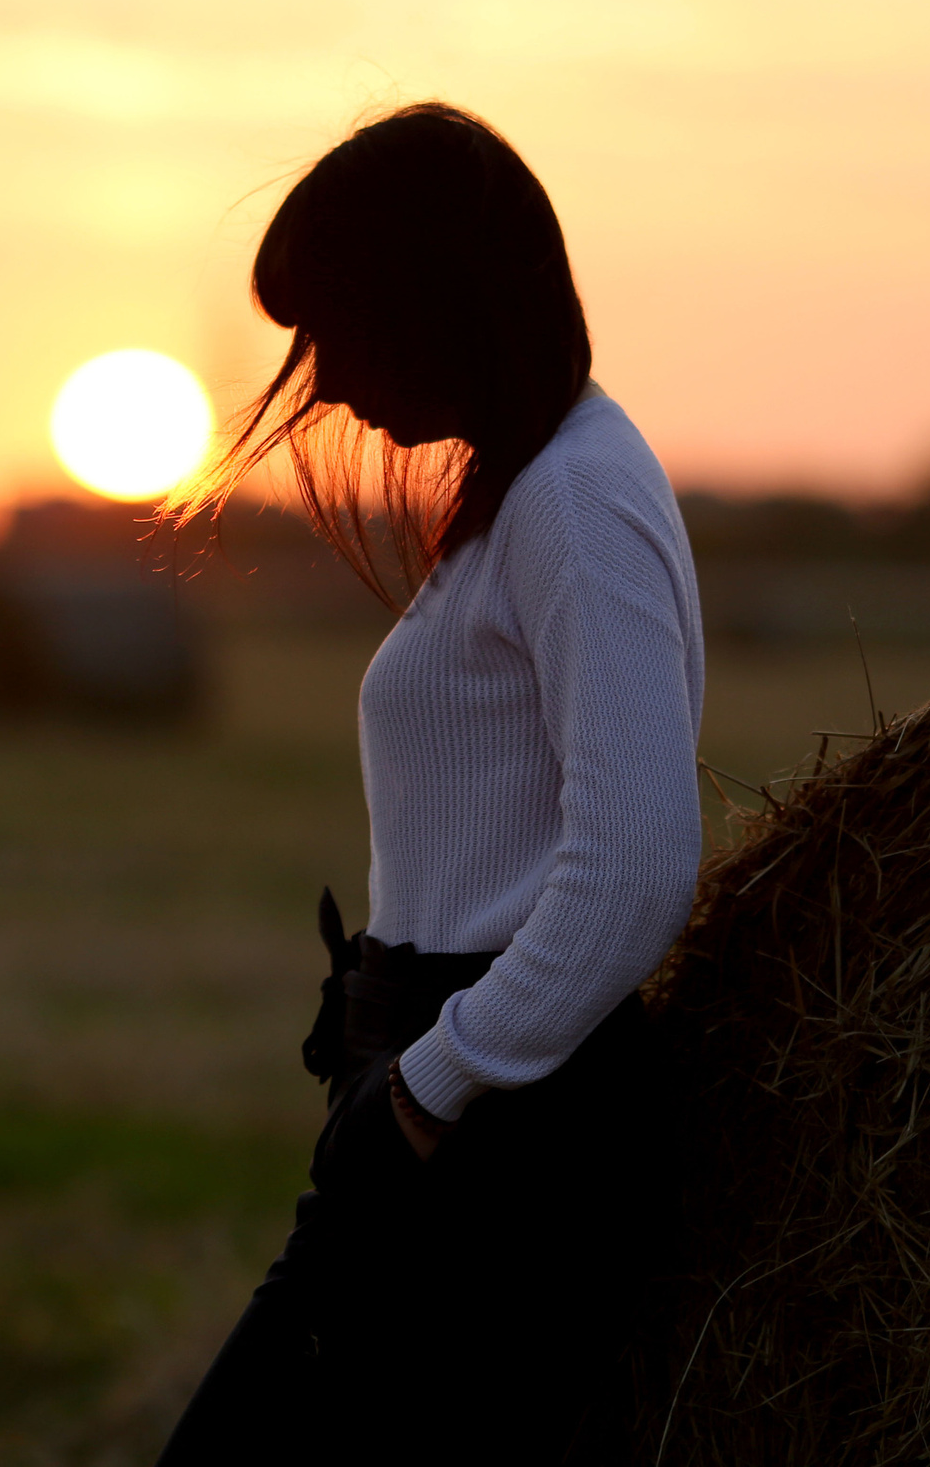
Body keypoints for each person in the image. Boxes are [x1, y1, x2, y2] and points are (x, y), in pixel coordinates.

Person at [154, 103, 705, 1463]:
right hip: (460, 1106)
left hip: (499, 1141)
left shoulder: (575, 497)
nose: (323, 381)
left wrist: (425, 1090)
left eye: (340, 328)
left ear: (434, 303)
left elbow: (633, 865)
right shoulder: (528, 495)